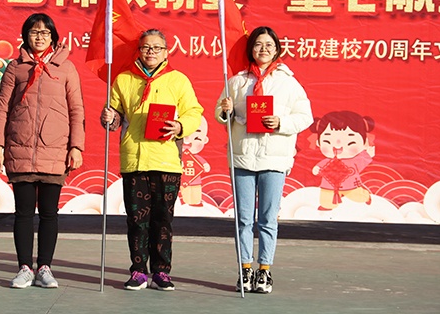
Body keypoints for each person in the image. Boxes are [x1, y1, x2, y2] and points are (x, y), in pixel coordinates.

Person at [100, 29, 203, 291]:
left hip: (166, 160)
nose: (151, 52)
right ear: (139, 50)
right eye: (146, 47)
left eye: (157, 48)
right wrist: (109, 118)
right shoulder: (123, 79)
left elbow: (194, 112)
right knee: (136, 220)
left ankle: (161, 272)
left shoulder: (178, 80)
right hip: (134, 161)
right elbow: (115, 115)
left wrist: (180, 126)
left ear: (166, 52)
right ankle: (138, 271)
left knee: (163, 220)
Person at [215, 26, 312, 294]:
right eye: (258, 44)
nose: (264, 49)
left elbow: (305, 117)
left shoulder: (288, 82)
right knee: (243, 219)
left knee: (268, 219)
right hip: (243, 157)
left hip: (275, 159)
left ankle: (265, 270)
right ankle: (245, 269)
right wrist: (225, 111)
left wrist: (280, 122)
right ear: (251, 49)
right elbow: (221, 115)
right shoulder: (237, 82)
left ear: (277, 49)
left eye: (269, 45)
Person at [0, 13, 85, 289]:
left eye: (45, 32)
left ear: (53, 37)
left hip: (54, 151)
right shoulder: (15, 68)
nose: (40, 37)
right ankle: (24, 268)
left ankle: (44, 268)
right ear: (26, 36)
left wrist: (76, 146)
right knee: (22, 213)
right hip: (19, 150)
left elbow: (76, 110)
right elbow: (2, 109)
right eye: (34, 32)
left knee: (48, 213)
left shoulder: (66, 68)